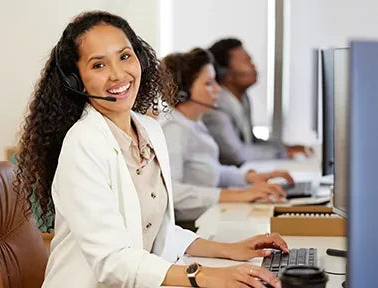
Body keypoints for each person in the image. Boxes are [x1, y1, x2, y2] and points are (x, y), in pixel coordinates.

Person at [16, 11, 286, 288]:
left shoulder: (149, 130)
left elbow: (159, 233)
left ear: (140, 59)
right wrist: (203, 276)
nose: (118, 74)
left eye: (124, 56)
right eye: (99, 65)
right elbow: (113, 260)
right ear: (76, 81)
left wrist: (232, 249)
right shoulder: (84, 143)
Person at [160, 49, 294, 221]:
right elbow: (171, 191)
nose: (218, 89)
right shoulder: (174, 130)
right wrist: (237, 195)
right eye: (208, 84)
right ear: (182, 92)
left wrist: (249, 177)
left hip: (208, 216)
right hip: (190, 226)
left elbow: (207, 171)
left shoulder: (194, 123)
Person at [203, 38, 311, 166]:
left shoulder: (243, 98)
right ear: (225, 72)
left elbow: (250, 141)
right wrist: (283, 152)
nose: (253, 66)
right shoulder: (216, 106)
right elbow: (237, 154)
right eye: (247, 61)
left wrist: (284, 147)